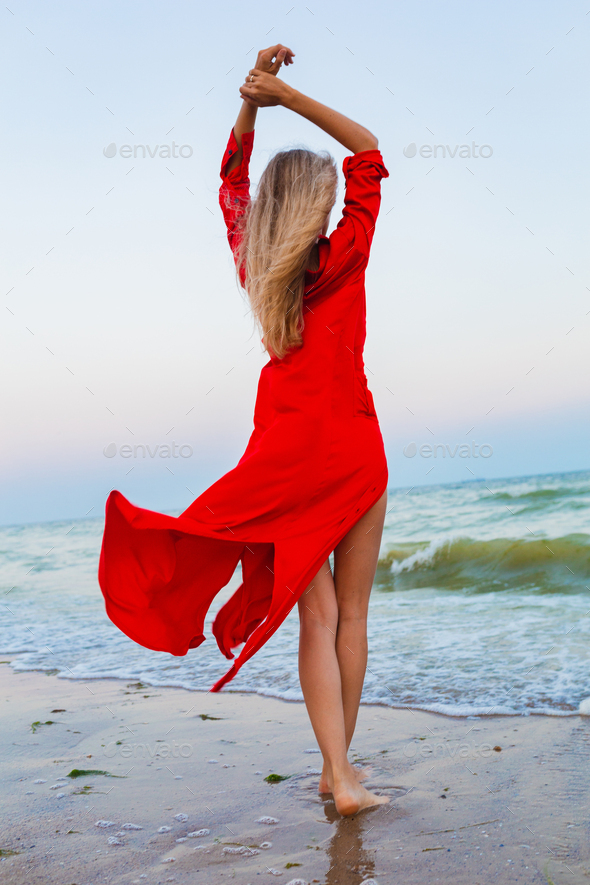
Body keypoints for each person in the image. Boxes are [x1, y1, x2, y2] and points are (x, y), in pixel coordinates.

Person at [98, 44, 390, 817]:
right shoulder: (348, 252)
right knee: (353, 617)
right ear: (323, 205)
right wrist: (285, 96)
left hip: (285, 455)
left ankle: (340, 774)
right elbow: (369, 150)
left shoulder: (255, 264)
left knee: (318, 615)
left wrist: (251, 103)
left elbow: (229, 179)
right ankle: (341, 775)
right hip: (355, 446)